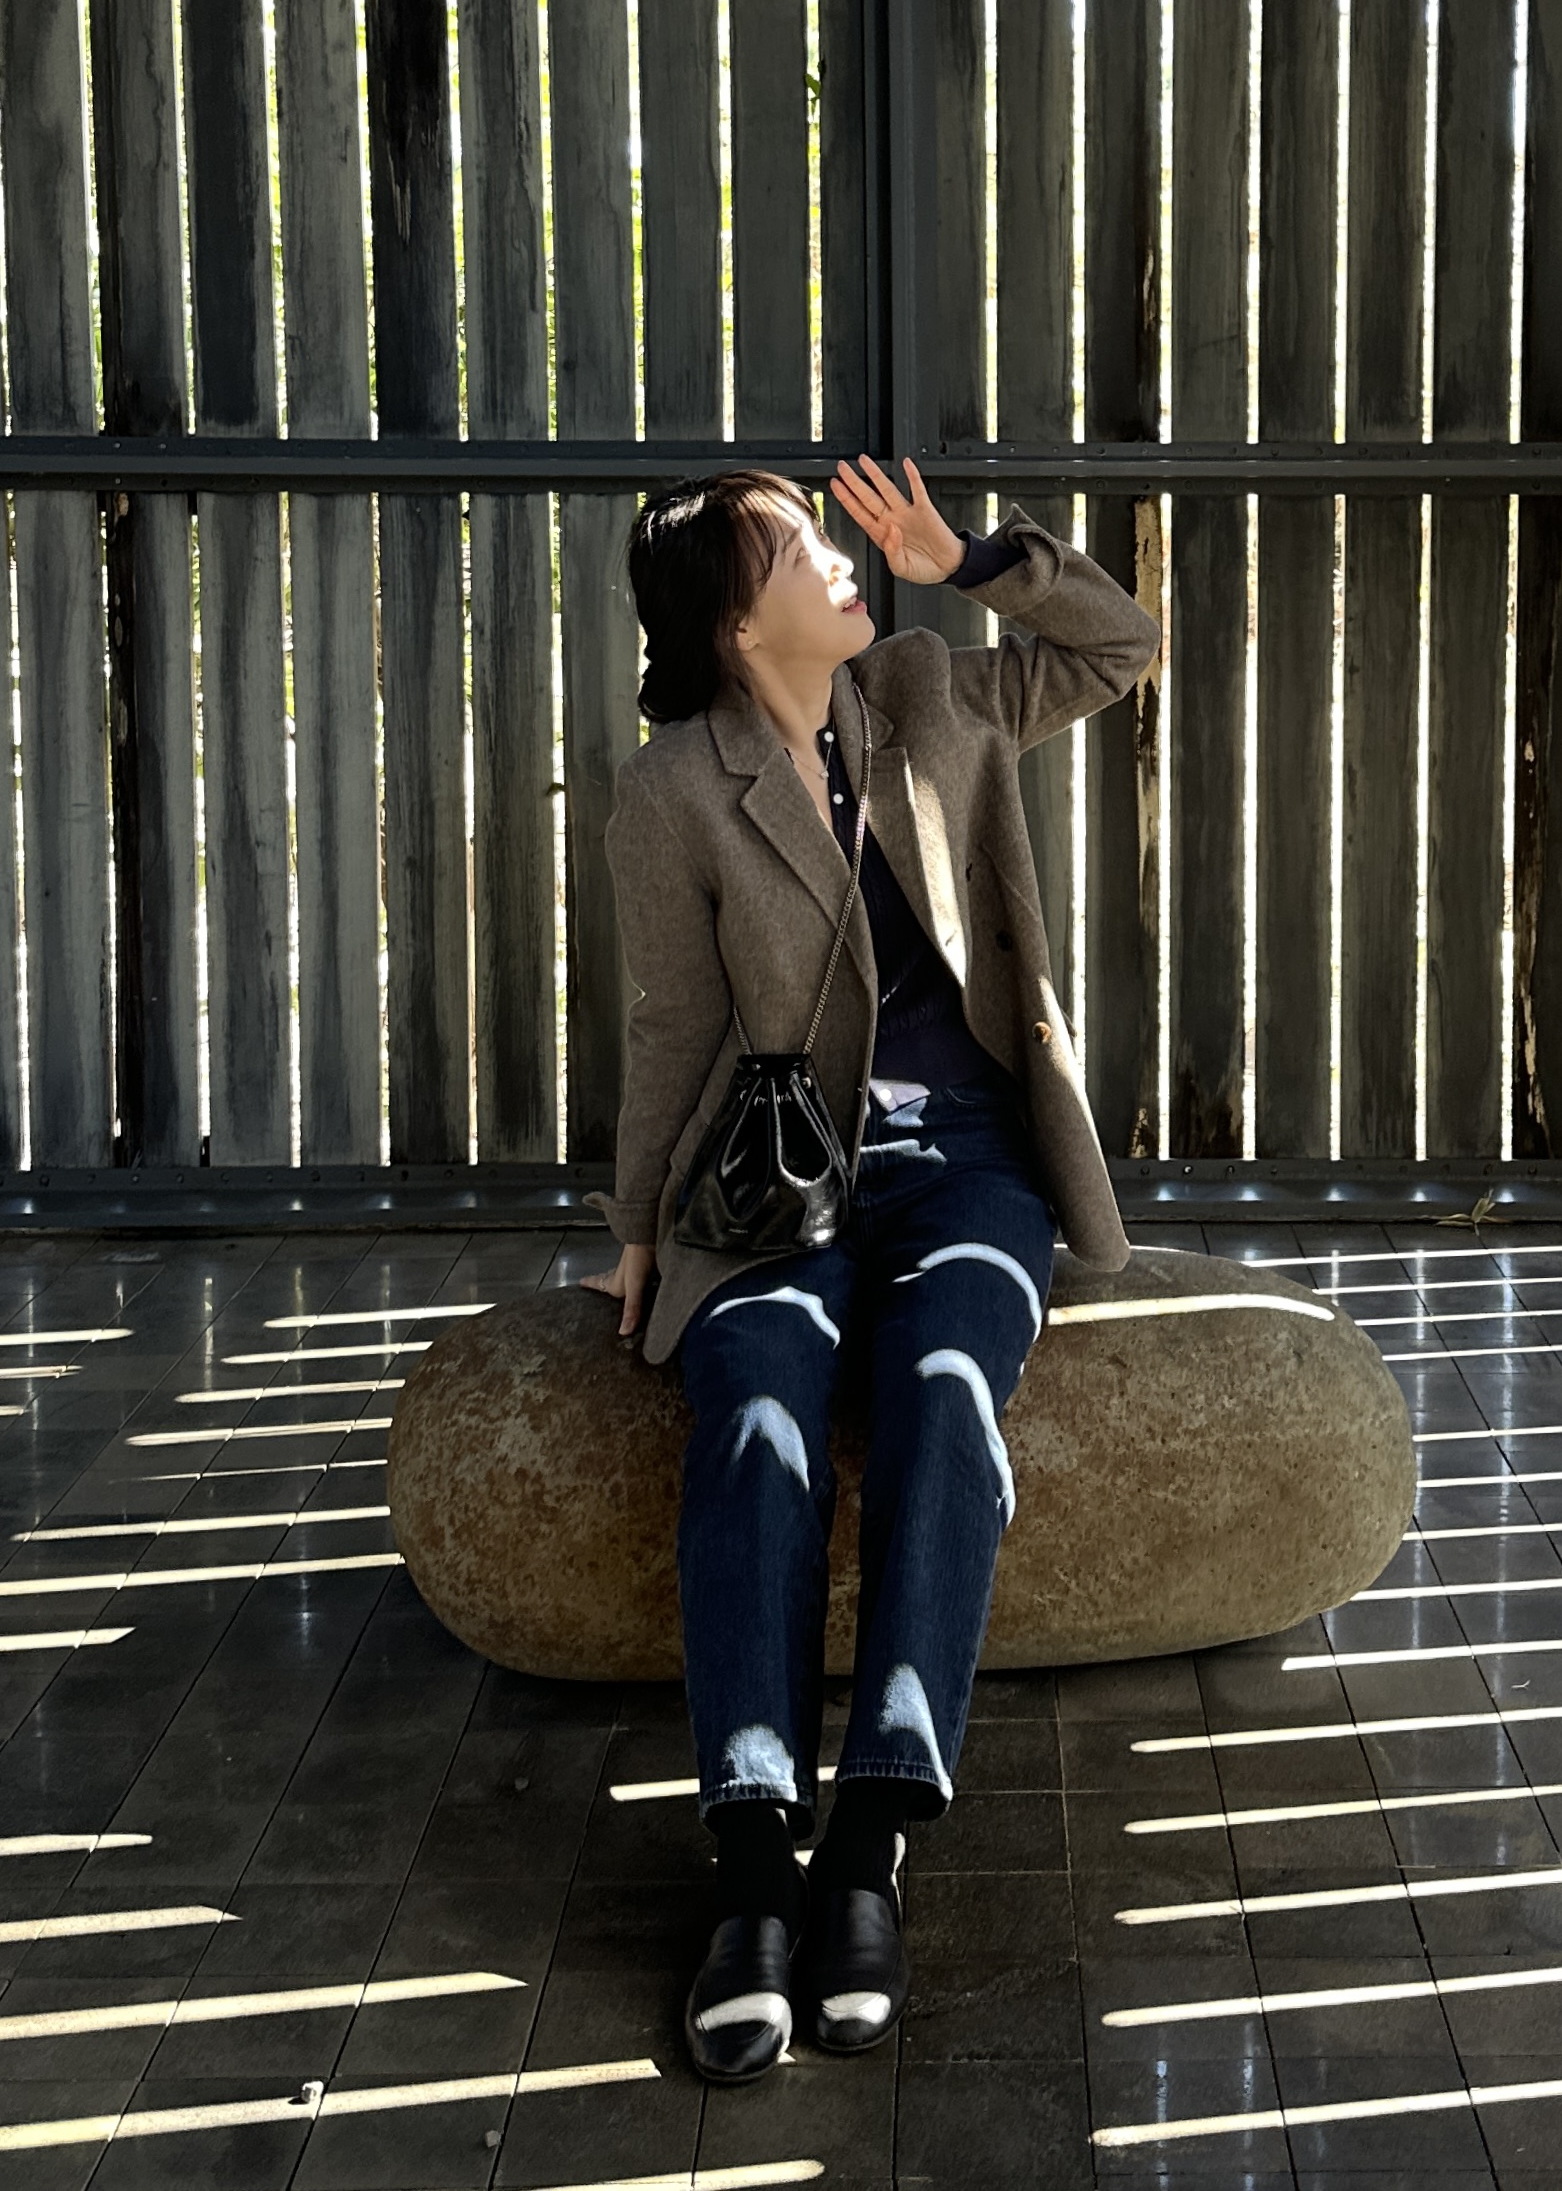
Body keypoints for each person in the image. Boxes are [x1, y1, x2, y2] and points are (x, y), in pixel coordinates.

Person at [582, 451, 1157, 2083]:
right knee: (757, 1411)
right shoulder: (671, 789)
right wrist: (641, 1236)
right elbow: (670, 1028)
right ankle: (753, 1862)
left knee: (946, 1392)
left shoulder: (930, 693)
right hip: (774, 1182)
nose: (842, 559)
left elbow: (1121, 646)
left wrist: (968, 561)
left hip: (970, 1161)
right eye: (797, 549)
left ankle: (871, 1840)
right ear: (729, 620)